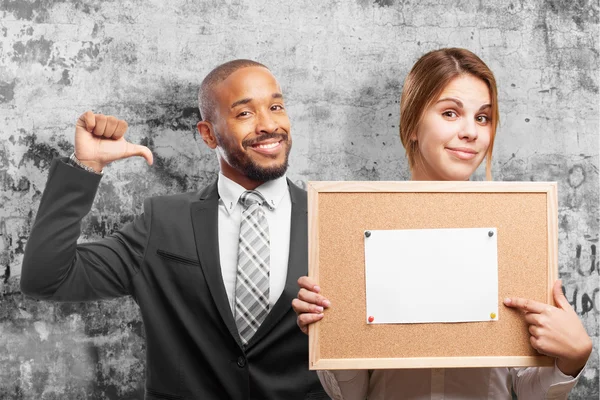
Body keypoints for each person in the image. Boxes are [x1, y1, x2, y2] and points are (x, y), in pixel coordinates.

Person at [291, 48, 592, 400]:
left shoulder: (520, 229)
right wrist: (333, 335)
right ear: (413, 124)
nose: (471, 132)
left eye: (483, 117)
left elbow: (525, 391)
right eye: (451, 113)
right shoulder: (355, 228)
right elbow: (352, 394)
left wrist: (570, 360)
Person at [21, 59, 328, 399]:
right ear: (208, 134)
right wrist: (86, 167)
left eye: (276, 107)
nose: (269, 124)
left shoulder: (330, 219)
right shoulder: (163, 222)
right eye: (245, 113)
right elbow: (46, 278)